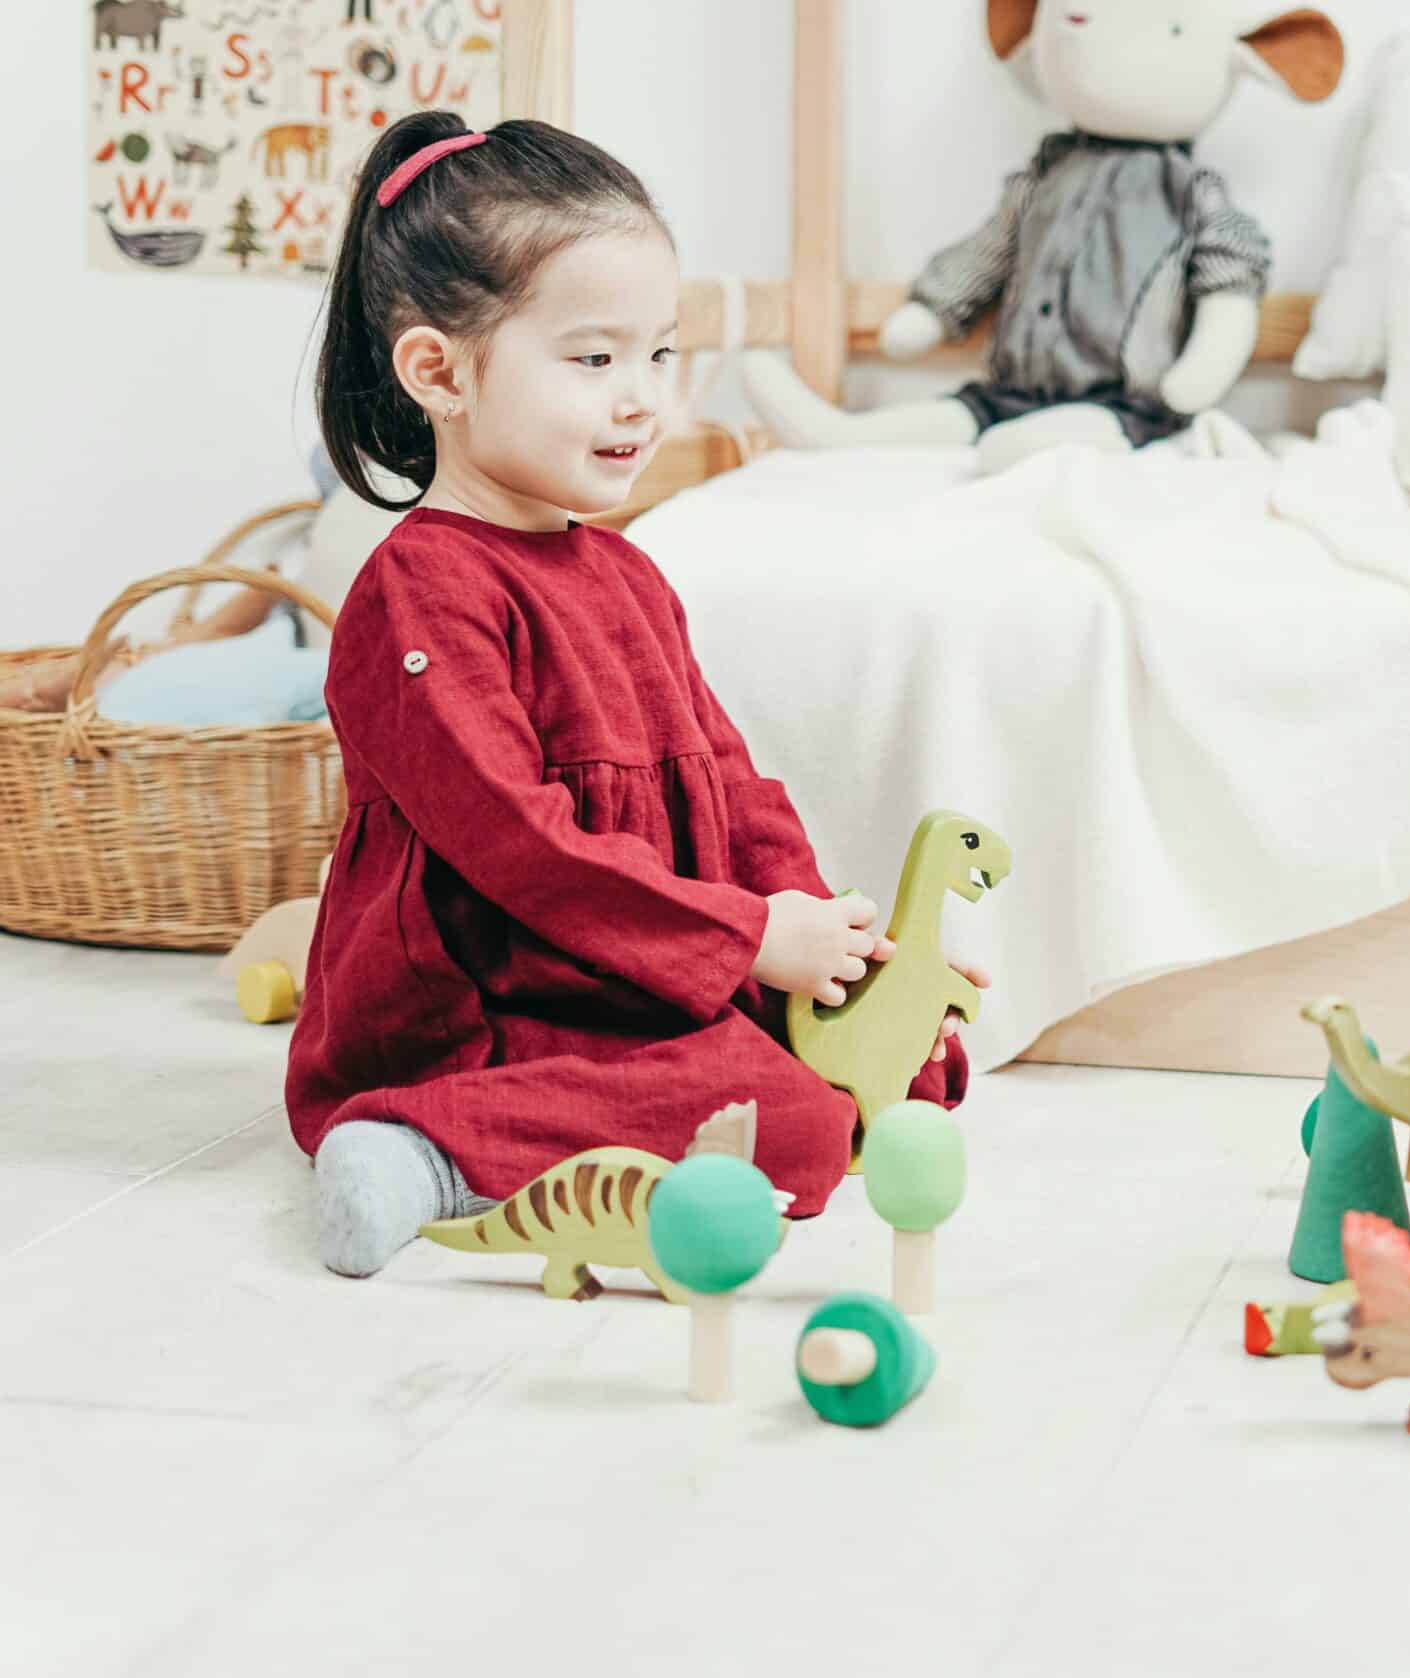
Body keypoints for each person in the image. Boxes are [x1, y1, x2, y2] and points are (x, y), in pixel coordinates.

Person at [289, 112, 984, 1277]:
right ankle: (418, 1143)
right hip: (484, 1000)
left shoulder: (628, 572)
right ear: (439, 372)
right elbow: (520, 849)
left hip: (636, 962)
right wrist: (752, 938)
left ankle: (759, 1056)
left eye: (660, 355)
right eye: (594, 359)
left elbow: (735, 789)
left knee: (896, 1057)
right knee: (799, 1123)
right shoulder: (420, 591)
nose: (640, 399)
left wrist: (837, 942)